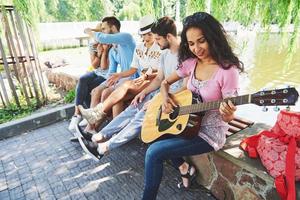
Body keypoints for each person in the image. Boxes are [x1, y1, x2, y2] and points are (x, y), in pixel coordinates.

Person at [142, 12, 244, 200]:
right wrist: (165, 99)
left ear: (213, 37)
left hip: (209, 132)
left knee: (154, 152)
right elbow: (164, 83)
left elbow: (229, 116)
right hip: (187, 122)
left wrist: (228, 114)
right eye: (191, 43)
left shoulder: (228, 71)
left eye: (201, 41)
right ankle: (184, 168)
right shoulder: (191, 63)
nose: (196, 48)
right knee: (155, 134)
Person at [76, 17, 185, 162]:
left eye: (157, 39)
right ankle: (99, 135)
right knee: (132, 107)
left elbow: (186, 87)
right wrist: (143, 92)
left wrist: (158, 100)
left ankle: (104, 148)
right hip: (158, 93)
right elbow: (159, 79)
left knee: (141, 116)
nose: (156, 42)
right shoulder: (165, 53)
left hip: (172, 99)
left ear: (169, 37)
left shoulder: (184, 56)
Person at [78, 15, 161, 130]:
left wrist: (90, 32)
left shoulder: (159, 47)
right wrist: (119, 75)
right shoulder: (139, 48)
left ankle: (96, 117)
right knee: (114, 99)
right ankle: (104, 130)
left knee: (124, 86)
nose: (146, 37)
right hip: (140, 81)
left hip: (149, 81)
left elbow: (160, 73)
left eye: (149, 34)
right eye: (143, 34)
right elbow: (133, 68)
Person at [81, 16, 137, 132]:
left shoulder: (126, 37)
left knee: (106, 93)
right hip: (120, 78)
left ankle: (97, 128)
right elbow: (111, 71)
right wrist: (106, 83)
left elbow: (103, 38)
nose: (103, 31)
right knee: (96, 91)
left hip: (132, 77)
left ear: (113, 27)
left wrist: (90, 32)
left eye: (104, 28)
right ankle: (90, 127)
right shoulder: (113, 50)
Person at [68, 22, 110, 132]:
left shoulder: (110, 44)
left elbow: (106, 67)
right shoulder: (93, 45)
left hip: (107, 74)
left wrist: (104, 51)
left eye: (101, 33)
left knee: (90, 87)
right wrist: (99, 54)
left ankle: (88, 115)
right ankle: (77, 114)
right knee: (82, 80)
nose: (98, 37)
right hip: (97, 72)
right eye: (96, 34)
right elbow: (94, 65)